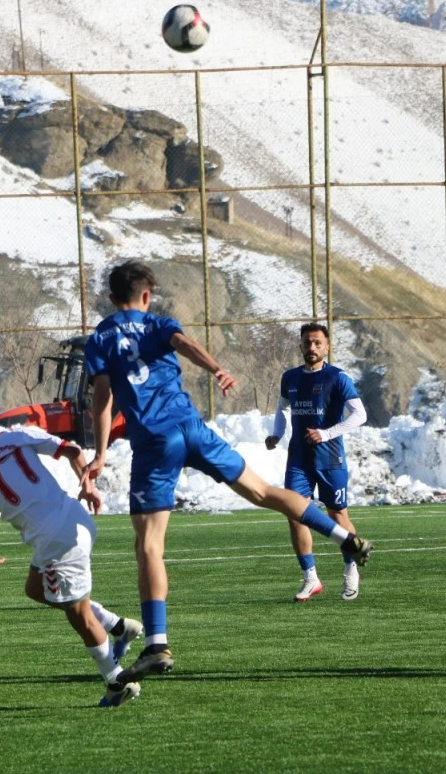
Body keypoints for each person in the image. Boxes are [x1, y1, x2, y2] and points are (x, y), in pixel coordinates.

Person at [81, 260, 372, 682]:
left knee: (148, 545)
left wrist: (100, 452)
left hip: (153, 443)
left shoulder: (100, 338)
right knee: (263, 490)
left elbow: (103, 396)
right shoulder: (160, 323)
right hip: (193, 427)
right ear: (147, 296)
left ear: (111, 298)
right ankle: (347, 538)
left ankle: (157, 643)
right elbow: (183, 342)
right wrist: (216, 368)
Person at [0, 401, 144, 708]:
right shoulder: (14, 435)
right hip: (75, 520)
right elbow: (74, 451)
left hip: (56, 542)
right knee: (36, 589)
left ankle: (117, 682)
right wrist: (87, 485)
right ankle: (119, 627)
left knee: (79, 616)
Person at [265, 323, 368, 602]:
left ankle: (350, 569)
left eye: (317, 343)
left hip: (331, 459)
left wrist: (326, 433)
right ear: (300, 346)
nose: (312, 348)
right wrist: (277, 433)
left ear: (327, 346)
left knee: (338, 516)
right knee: (295, 514)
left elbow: (360, 415)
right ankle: (310, 577)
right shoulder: (290, 378)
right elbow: (283, 408)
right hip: (298, 459)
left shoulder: (337, 377)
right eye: (307, 343)